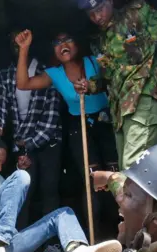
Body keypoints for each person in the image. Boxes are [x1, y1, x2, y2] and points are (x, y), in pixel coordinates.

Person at [0, 123, 122, 252]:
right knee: (21, 177)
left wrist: (20, 171)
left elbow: (12, 193)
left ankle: (76, 251)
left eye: (2, 164)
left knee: (63, 213)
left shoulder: (1, 182)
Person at [15, 30, 119, 235]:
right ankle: (94, 237)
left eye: (68, 39)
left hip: (106, 122)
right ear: (53, 50)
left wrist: (92, 86)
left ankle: (124, 230)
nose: (63, 44)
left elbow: (115, 79)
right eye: (57, 42)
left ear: (77, 44)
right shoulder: (54, 74)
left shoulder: (94, 62)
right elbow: (23, 84)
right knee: (91, 179)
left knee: (116, 174)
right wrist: (24, 49)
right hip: (78, 127)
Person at [77, 0, 157, 170]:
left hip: (142, 100)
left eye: (100, 9)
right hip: (119, 113)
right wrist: (89, 86)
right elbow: (109, 76)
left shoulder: (137, 14)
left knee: (133, 172)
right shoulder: (99, 40)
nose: (97, 17)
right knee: (132, 174)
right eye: (91, 14)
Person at [0, 31, 64, 252]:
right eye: (13, 41)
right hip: (23, 143)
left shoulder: (46, 72)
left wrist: (28, 147)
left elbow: (51, 120)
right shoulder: (5, 75)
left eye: (21, 42)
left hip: (48, 140)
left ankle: (51, 246)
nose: (17, 45)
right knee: (22, 192)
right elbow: (0, 107)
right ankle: (17, 246)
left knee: (49, 190)